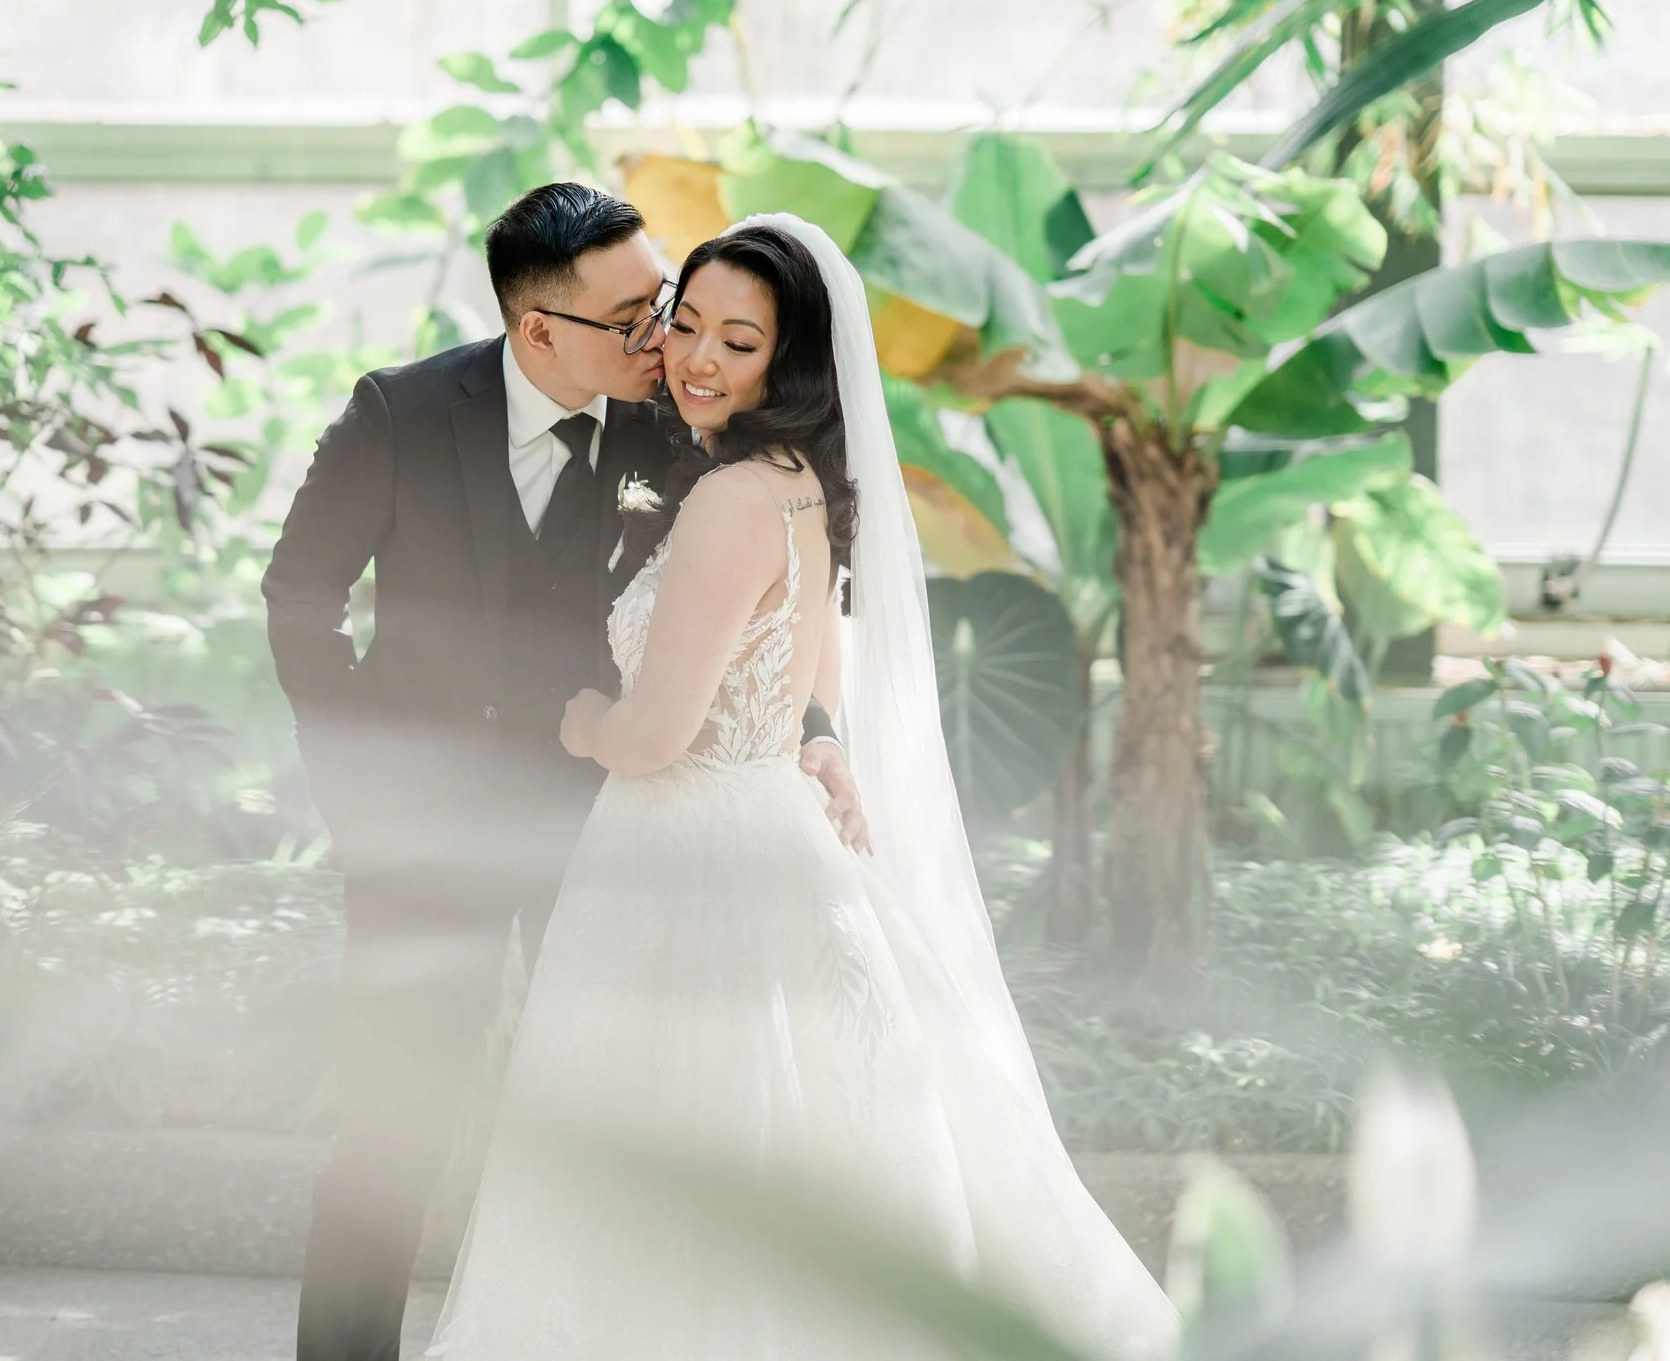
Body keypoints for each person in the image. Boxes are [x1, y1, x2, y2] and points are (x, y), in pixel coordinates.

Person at [425, 216, 1183, 1361]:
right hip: (771, 821)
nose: (695, 358)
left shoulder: (732, 498)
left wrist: (566, 714)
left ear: (791, 363)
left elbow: (652, 734)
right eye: (684, 324)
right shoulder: (800, 484)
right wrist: (818, 738)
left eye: (740, 340)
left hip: (685, 850)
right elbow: (807, 665)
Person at [262, 183, 863, 1361]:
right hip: (419, 844)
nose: (670, 340)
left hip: (614, 833)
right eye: (639, 316)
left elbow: (773, 603)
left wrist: (820, 726)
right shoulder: (401, 411)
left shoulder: (684, 430)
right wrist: (362, 791)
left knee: (612, 1129)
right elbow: (299, 597)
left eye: (672, 308)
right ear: (542, 329)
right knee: (391, 1133)